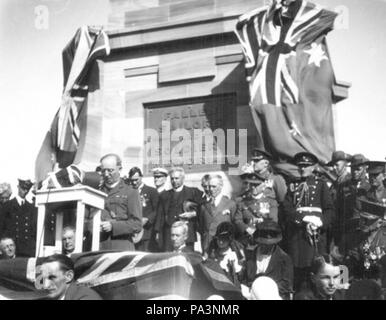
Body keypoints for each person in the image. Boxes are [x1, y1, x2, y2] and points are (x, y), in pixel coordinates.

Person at [282, 152, 335, 291]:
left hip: (316, 234)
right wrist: (302, 218)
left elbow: (329, 209)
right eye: (300, 166)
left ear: (313, 167)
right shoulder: (292, 185)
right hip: (298, 235)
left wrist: (320, 222)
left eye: (306, 166)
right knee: (299, 272)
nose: (302, 168)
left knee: (318, 269)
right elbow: (286, 208)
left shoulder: (321, 184)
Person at [98, 153, 142, 251]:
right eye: (103, 170)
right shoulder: (96, 192)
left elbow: (137, 224)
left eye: (110, 170)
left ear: (120, 169)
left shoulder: (131, 192)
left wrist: (113, 226)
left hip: (121, 247)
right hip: (99, 246)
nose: (106, 174)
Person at [241, 221, 293, 299]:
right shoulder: (250, 256)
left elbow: (287, 285)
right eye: (263, 244)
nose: (266, 247)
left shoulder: (284, 259)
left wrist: (265, 289)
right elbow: (244, 279)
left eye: (269, 245)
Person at [155, 167, 203, 252]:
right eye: (172, 178)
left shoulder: (193, 192)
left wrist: (193, 214)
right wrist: (158, 232)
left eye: (177, 178)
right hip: (169, 235)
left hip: (187, 235)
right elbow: (160, 215)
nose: (174, 181)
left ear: (183, 178)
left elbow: (204, 209)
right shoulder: (164, 195)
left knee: (186, 259)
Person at [198, 175, 240, 253]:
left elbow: (235, 224)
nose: (211, 189)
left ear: (221, 186)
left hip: (224, 244)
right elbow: (201, 226)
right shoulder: (203, 206)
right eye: (209, 186)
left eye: (214, 186)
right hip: (208, 245)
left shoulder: (230, 204)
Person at [236, 173, 279, 246]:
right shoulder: (242, 202)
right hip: (247, 240)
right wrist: (247, 229)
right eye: (251, 185)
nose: (253, 187)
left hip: (264, 239)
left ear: (263, 186)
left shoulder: (271, 202)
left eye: (256, 185)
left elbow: (274, 221)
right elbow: (237, 220)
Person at [327, 151, 354, 257]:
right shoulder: (335, 183)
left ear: (345, 164)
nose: (334, 168)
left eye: (336, 165)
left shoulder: (349, 182)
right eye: (332, 165)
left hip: (345, 229)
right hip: (335, 228)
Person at [1, 179, 37, 257]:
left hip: (27, 250)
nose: (25, 191)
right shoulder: (7, 206)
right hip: (12, 249)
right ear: (18, 187)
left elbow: (33, 230)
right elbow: (2, 227)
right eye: (23, 188)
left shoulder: (31, 208)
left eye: (27, 189)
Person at [128, 167, 159, 252]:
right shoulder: (128, 192)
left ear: (141, 177)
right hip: (131, 232)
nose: (134, 182)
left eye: (136, 180)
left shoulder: (151, 191)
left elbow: (157, 210)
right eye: (132, 180)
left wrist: (148, 219)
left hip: (146, 232)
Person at [206, 222, 245, 286]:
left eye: (224, 239)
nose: (220, 242)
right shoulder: (212, 250)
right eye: (219, 238)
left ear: (230, 239)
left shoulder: (234, 254)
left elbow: (239, 276)